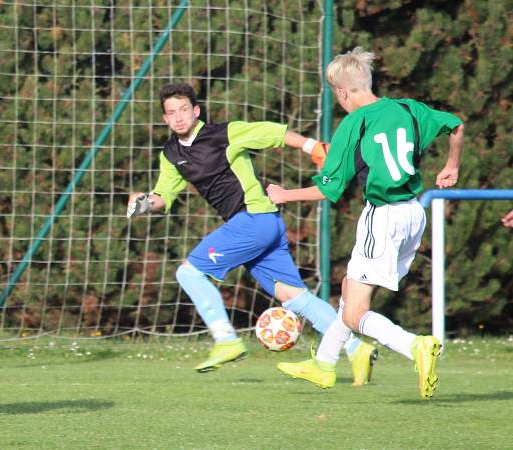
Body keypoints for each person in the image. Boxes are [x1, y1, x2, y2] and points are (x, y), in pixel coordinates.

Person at [127, 83, 377, 382]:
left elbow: (273, 132)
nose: (179, 117)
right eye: (171, 113)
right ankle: (355, 348)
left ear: (196, 110)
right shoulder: (170, 154)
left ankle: (226, 340)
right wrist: (144, 203)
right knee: (293, 296)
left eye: (184, 110)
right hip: (261, 225)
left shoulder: (223, 133)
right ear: (165, 119)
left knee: (188, 273)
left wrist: (312, 146)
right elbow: (164, 194)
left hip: (253, 219)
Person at [266, 47, 464, 399]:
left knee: (357, 311)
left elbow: (328, 190)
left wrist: (284, 195)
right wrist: (452, 166)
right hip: (413, 213)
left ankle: (414, 345)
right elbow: (456, 125)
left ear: (342, 92)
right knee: (349, 291)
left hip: (382, 215)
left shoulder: (354, 124)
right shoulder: (408, 108)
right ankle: (324, 365)